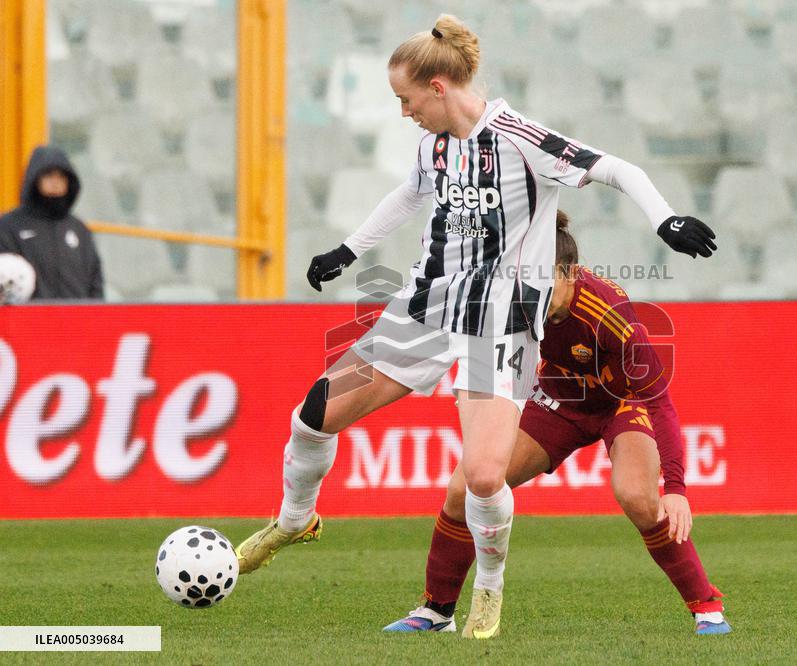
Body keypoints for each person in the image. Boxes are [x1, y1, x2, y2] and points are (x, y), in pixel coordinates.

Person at [235, 15, 717, 640]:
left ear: (438, 87)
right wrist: (348, 250)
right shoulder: (433, 142)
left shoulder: (520, 138)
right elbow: (410, 195)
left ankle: (485, 594)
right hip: (428, 305)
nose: (403, 111)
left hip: (503, 318)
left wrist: (666, 220)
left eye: (405, 99)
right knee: (313, 411)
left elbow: (618, 169)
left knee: (484, 476)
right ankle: (294, 520)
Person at [382, 211, 730, 637]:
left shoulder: (613, 318)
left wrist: (675, 490)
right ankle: (437, 613)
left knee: (638, 496)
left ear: (569, 273)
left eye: (543, 279)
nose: (532, 290)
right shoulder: (517, 297)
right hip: (557, 404)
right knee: (464, 486)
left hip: (620, 405)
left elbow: (660, 404)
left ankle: (706, 607)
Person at [0, 145, 104, 300]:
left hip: (77, 320)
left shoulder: (78, 229)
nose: (55, 182)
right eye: (48, 175)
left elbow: (95, 282)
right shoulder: (10, 226)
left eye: (61, 177)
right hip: (27, 320)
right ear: (35, 179)